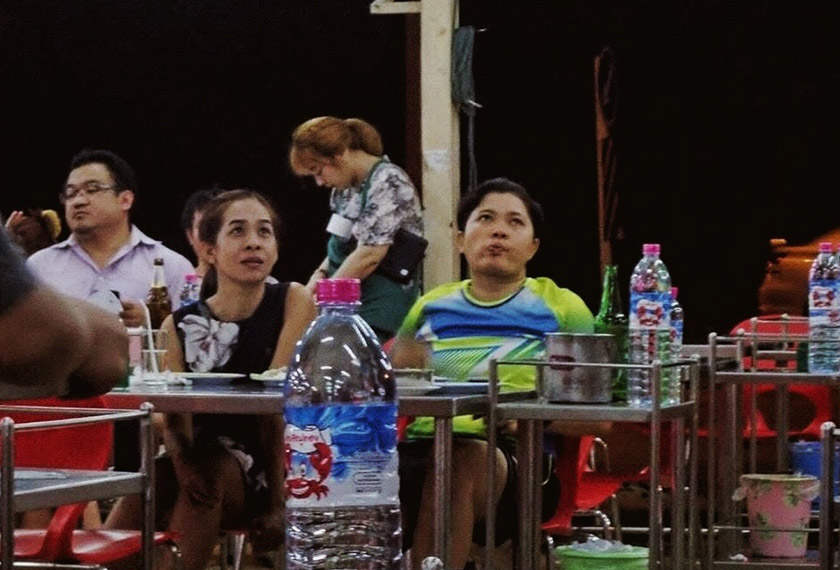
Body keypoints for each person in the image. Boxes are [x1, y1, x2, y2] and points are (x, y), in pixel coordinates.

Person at [390, 178, 601, 569]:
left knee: (461, 460)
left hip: (518, 463)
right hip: (422, 448)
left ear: (533, 246)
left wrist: (524, 417)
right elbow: (393, 393)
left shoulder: (562, 307)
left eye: (515, 222)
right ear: (460, 239)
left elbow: (596, 418)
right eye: (484, 218)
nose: (498, 230)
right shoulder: (430, 306)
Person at [105, 189, 317, 570]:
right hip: (193, 456)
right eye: (238, 231)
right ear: (209, 250)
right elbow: (173, 418)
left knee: (209, 472)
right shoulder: (180, 324)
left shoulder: (293, 301)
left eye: (264, 232)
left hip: (270, 466)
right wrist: (182, 461)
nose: (254, 242)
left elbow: (276, 406)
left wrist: (278, 504)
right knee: (155, 477)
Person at [289, 116, 423, 340]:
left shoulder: (389, 181)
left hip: (381, 304)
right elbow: (338, 240)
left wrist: (325, 297)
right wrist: (317, 278)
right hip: (346, 300)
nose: (319, 182)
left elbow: (369, 255)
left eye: (318, 170)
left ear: (339, 154)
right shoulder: (343, 189)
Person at [27, 149, 193, 327]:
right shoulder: (39, 267)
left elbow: (192, 339)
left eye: (92, 189)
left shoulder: (172, 266)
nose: (78, 201)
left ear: (125, 200)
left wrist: (151, 322)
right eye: (71, 193)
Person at [0, 224, 127, 399]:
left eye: (90, 193)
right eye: (72, 195)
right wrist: (101, 332)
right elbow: (34, 338)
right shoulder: (41, 260)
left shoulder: (168, 260)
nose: (80, 201)